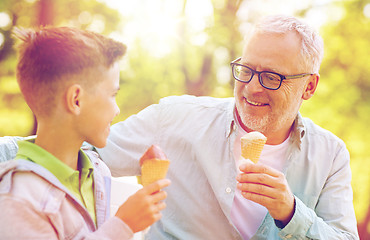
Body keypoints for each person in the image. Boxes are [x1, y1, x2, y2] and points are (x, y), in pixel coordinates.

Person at [0, 15, 359, 239]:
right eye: (246, 70)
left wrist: (291, 212)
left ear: (308, 86)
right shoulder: (176, 118)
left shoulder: (330, 156)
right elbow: (72, 148)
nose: (250, 88)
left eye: (270, 77)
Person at [0, 27, 170, 239]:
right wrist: (124, 224)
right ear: (76, 100)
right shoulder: (18, 199)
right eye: (112, 94)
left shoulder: (97, 171)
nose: (117, 110)